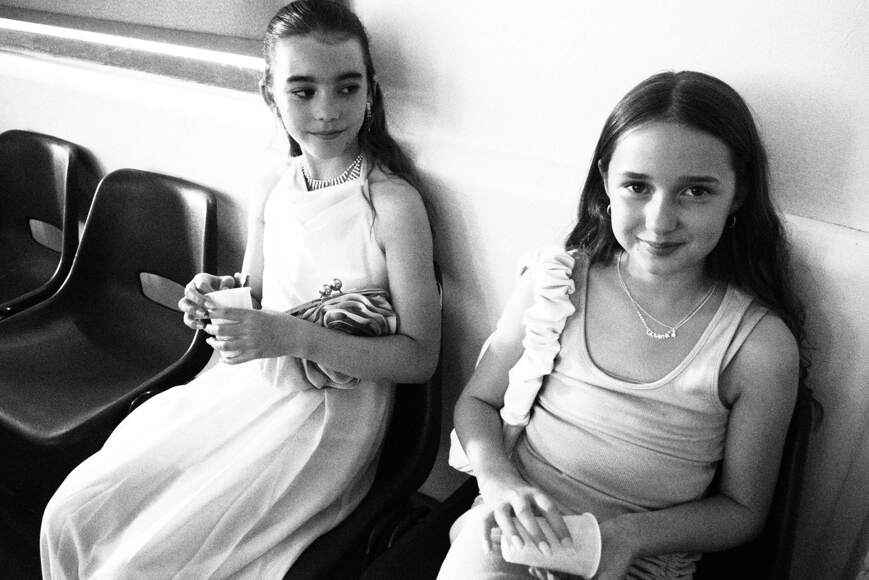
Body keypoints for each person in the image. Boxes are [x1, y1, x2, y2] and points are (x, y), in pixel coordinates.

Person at [40, 1, 440, 577]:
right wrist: (216, 295)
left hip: (324, 419)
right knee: (72, 513)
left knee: (138, 564)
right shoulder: (272, 184)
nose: (327, 109)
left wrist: (291, 336)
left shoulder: (393, 205)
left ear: (370, 92)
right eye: (302, 91)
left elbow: (420, 358)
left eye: (346, 88)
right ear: (270, 94)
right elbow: (256, 291)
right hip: (247, 387)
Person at [438, 71, 805, 580]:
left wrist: (627, 537)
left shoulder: (758, 346)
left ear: (738, 194)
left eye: (696, 191)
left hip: (641, 559)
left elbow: (743, 510)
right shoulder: (556, 286)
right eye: (637, 186)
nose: (659, 220)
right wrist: (500, 482)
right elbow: (477, 402)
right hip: (516, 534)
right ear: (606, 180)